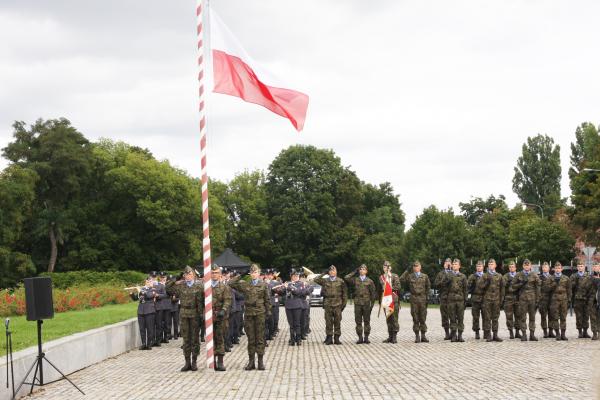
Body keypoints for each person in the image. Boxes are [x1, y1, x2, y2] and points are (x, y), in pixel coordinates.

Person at [229, 264, 272, 371]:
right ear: (250, 273)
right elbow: (231, 283)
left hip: (260, 313)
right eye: (252, 272)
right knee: (251, 338)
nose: (254, 274)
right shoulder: (245, 284)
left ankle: (260, 361)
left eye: (256, 272)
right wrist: (241, 275)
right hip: (249, 313)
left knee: (260, 338)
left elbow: (267, 299)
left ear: (259, 273)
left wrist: (268, 311)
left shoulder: (263, 285)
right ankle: (251, 361)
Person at [166, 266, 204, 372]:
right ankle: (187, 362)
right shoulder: (181, 285)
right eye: (186, 274)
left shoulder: (200, 286)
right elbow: (168, 289)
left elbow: (203, 301)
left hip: (195, 314)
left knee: (195, 339)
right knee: (186, 339)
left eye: (190, 274)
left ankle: (194, 361)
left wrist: (202, 315)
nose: (188, 276)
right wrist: (175, 278)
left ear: (194, 275)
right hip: (184, 314)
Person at [275, 269, 312, 346]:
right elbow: (281, 293)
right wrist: (279, 289)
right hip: (288, 305)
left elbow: (298, 292)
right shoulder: (287, 283)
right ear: (291, 276)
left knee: (297, 323)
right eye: (294, 276)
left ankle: (298, 339)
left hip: (297, 305)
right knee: (291, 324)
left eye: (297, 276)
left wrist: (289, 287)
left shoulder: (301, 284)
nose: (295, 277)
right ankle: (292, 339)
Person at [313, 265, 348, 345]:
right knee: (328, 321)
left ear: (336, 272)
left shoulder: (341, 281)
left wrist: (343, 305)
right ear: (328, 272)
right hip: (328, 303)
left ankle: (336, 338)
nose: (332, 272)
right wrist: (324, 273)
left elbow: (345, 294)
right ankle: (329, 337)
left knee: (337, 321)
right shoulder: (325, 280)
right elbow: (316, 279)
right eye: (330, 271)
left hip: (338, 303)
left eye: (333, 270)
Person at [344, 264, 377, 344]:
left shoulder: (370, 281)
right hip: (358, 303)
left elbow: (373, 294)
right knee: (358, 321)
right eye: (360, 269)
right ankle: (360, 337)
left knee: (367, 321)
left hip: (366, 303)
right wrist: (355, 271)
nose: (362, 270)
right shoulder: (355, 280)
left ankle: (366, 337)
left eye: (363, 269)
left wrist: (371, 305)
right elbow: (346, 278)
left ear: (366, 271)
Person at [208, 265, 232, 371]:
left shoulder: (224, 287)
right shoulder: (206, 287)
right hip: (209, 317)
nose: (214, 274)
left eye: (216, 272)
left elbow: (228, 300)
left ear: (220, 274)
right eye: (212, 273)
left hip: (221, 316)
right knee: (210, 339)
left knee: (220, 338)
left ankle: (220, 361)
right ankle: (212, 360)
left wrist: (223, 309)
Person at [400, 261, 431, 343]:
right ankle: (417, 336)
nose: (415, 268)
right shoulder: (410, 276)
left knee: (423, 318)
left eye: (417, 266)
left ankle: (423, 336)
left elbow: (428, 287)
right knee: (415, 318)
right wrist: (407, 270)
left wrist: (427, 297)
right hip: (414, 299)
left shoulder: (425, 276)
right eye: (414, 266)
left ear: (420, 267)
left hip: (422, 299)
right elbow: (401, 280)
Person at [512, 259, 541, 341]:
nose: (526, 266)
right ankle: (524, 334)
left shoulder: (534, 275)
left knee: (532, 317)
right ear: (523, 266)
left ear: (530, 266)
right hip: (522, 299)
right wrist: (520, 284)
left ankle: (532, 334)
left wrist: (538, 300)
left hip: (532, 299)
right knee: (522, 317)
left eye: (528, 265)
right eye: (525, 265)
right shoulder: (518, 275)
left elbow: (538, 288)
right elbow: (512, 286)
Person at [443, 259, 467, 342]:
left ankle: (460, 335)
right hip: (451, 300)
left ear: (459, 266)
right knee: (452, 318)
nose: (454, 265)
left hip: (460, 300)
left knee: (460, 318)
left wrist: (465, 300)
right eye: (453, 264)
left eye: (456, 264)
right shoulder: (448, 275)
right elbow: (444, 285)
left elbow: (465, 289)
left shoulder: (463, 276)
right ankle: (453, 335)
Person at [131, 276, 158, 350]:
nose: (149, 283)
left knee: (150, 328)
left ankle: (149, 343)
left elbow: (149, 295)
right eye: (147, 281)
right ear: (145, 282)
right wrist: (131, 293)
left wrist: (140, 291)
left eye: (150, 281)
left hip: (149, 311)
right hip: (141, 311)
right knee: (142, 328)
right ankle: (143, 343)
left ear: (152, 282)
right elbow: (135, 298)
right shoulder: (142, 289)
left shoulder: (153, 289)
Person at [481, 258, 504, 342]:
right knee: (487, 318)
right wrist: (486, 282)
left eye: (492, 264)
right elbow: (480, 287)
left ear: (495, 265)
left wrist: (501, 300)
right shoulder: (484, 275)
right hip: (487, 300)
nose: (491, 265)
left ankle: (495, 335)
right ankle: (488, 335)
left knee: (495, 318)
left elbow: (502, 289)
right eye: (489, 264)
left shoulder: (499, 276)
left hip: (496, 300)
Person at [379, 261, 401, 343]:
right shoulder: (381, 277)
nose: (386, 268)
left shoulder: (395, 276)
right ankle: (390, 336)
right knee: (388, 318)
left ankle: (395, 336)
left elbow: (398, 286)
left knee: (394, 318)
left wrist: (390, 288)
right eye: (384, 267)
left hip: (393, 299)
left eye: (387, 267)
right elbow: (384, 286)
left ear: (390, 268)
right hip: (386, 300)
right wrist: (388, 277)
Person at [548, 262, 571, 341]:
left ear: (561, 269)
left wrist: (569, 299)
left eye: (559, 268)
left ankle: (563, 334)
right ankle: (557, 333)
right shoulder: (550, 278)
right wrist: (554, 283)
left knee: (563, 317)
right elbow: (547, 289)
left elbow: (569, 289)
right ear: (554, 269)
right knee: (555, 317)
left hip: (564, 299)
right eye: (556, 268)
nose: (558, 270)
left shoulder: (566, 278)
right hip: (554, 300)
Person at [570, 260, 592, 338]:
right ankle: (580, 332)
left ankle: (585, 332)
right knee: (579, 316)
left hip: (586, 299)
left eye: (581, 266)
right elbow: (570, 287)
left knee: (586, 316)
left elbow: (591, 288)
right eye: (579, 266)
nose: (580, 268)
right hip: (577, 299)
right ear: (577, 267)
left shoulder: (588, 276)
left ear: (584, 267)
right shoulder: (573, 276)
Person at [467, 261, 486, 340]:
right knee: (475, 317)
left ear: (483, 267)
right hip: (475, 298)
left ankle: (486, 331)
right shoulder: (472, 276)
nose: (479, 267)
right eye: (477, 266)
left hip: (485, 299)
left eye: (480, 266)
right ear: (476, 267)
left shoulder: (486, 276)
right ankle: (477, 332)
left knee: (486, 316)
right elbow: (468, 286)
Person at [434, 258, 452, 340]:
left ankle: (453, 332)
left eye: (449, 263)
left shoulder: (454, 273)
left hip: (452, 298)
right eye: (446, 263)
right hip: (443, 297)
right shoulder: (440, 274)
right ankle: (447, 333)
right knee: (444, 316)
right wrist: (444, 278)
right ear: (444, 264)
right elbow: (436, 284)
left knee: (453, 316)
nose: (447, 264)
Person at [502, 261, 521, 339]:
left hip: (518, 298)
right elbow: (503, 286)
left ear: (515, 268)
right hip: (508, 298)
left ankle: (517, 332)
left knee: (518, 316)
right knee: (509, 316)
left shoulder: (519, 275)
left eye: (513, 267)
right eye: (510, 267)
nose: (511, 268)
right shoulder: (505, 276)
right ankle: (511, 332)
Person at [538, 262, 554, 338]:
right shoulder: (539, 277)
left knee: (551, 316)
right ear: (542, 268)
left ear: (549, 268)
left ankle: (551, 331)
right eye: (543, 267)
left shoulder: (552, 277)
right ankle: (545, 331)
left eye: (546, 267)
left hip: (551, 300)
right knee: (543, 316)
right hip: (543, 300)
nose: (545, 268)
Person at [155, 272, 171, 344]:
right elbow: (155, 294)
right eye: (161, 277)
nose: (163, 279)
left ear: (166, 278)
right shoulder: (157, 285)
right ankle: (159, 338)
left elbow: (172, 293)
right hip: (160, 306)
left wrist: (160, 295)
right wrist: (162, 295)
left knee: (167, 323)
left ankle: (166, 337)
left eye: (164, 277)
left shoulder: (169, 285)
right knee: (159, 323)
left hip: (167, 306)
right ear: (159, 278)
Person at [589, 262, 600, 340]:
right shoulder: (590, 277)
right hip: (592, 300)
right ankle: (594, 333)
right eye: (594, 266)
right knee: (593, 317)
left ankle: (599, 332)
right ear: (592, 268)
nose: (596, 268)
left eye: (597, 266)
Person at [168, 274, 180, 340]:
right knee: (169, 322)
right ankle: (169, 334)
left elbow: (179, 297)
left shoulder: (177, 287)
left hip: (175, 306)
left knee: (176, 322)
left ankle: (175, 334)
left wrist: (174, 299)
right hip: (169, 307)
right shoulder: (167, 287)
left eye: (172, 280)